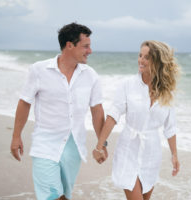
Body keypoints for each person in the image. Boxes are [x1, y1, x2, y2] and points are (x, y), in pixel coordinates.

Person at [10, 22, 107, 200]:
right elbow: (25, 102)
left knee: (65, 195)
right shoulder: (39, 70)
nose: (90, 51)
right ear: (69, 45)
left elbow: (97, 112)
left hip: (74, 148)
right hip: (44, 145)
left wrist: (102, 144)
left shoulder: (91, 75)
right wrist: (16, 136)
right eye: (86, 46)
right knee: (53, 196)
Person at [93, 40, 180, 200]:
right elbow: (113, 115)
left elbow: (170, 127)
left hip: (152, 153)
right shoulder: (127, 85)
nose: (141, 60)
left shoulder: (168, 92)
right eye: (140, 55)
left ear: (158, 61)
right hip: (128, 150)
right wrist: (100, 145)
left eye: (147, 57)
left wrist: (174, 155)